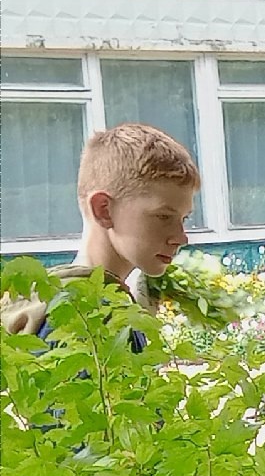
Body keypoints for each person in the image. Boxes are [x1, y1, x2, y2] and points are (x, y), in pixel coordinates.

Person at [2, 122, 200, 347]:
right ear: (103, 210)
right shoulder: (92, 319)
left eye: (184, 219)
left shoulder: (48, 297)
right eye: (164, 217)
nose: (182, 237)